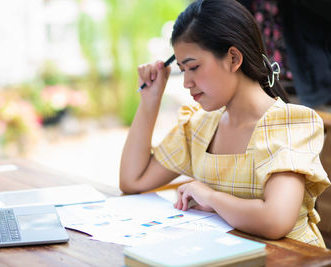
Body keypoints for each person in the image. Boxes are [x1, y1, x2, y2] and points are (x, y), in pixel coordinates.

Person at [119, 0, 330, 247]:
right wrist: (150, 101)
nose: (186, 82)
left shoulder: (287, 124)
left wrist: (210, 196)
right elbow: (132, 181)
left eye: (194, 67)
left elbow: (275, 220)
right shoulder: (200, 126)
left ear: (233, 58)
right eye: (182, 70)